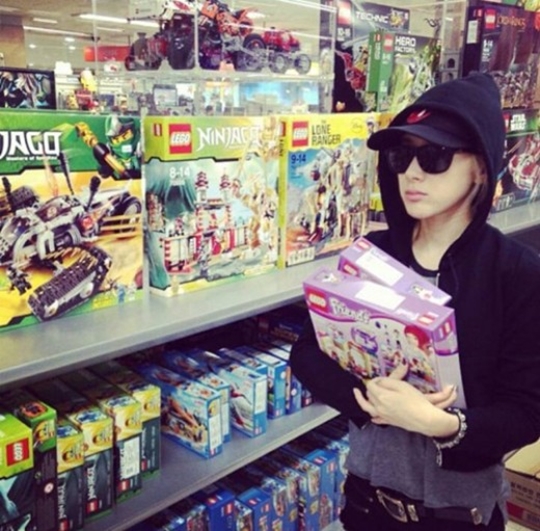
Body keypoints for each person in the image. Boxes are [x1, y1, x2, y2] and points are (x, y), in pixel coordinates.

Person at [290, 72, 540, 530]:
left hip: (459, 515)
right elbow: (307, 352)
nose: (412, 173)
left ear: (480, 168)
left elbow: (528, 410)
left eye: (435, 156)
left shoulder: (517, 273)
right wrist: (369, 398)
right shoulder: (371, 254)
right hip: (366, 503)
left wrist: (441, 424)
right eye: (401, 156)